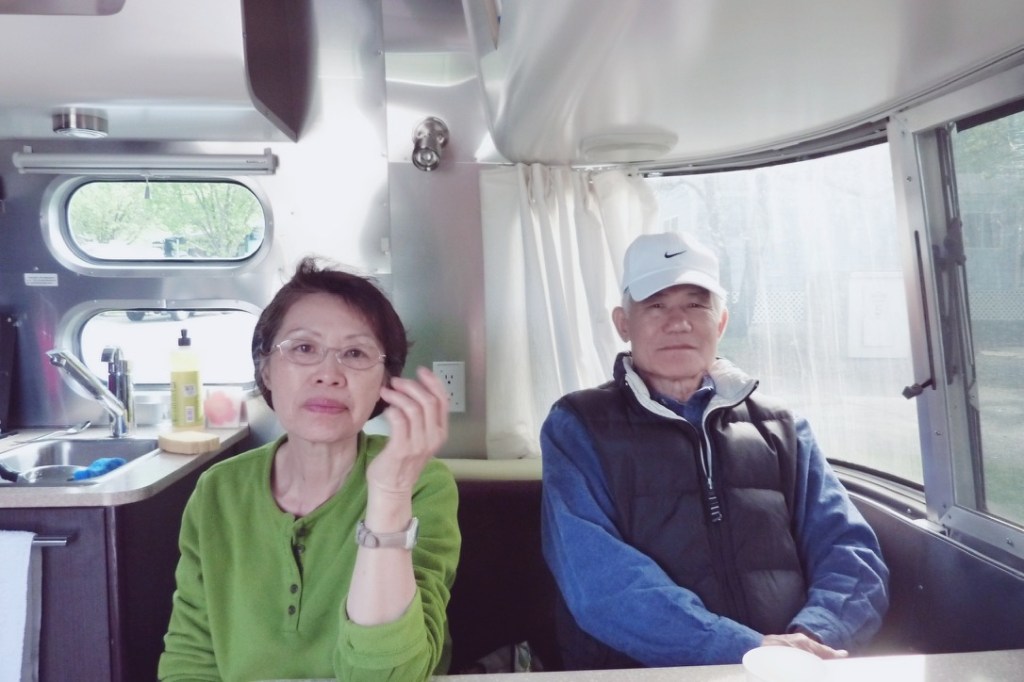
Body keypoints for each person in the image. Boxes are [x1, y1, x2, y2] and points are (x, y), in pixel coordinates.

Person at [540, 231, 889, 669]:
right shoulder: (577, 425)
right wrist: (741, 648)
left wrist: (811, 638)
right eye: (656, 305)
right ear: (623, 323)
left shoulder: (781, 426)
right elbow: (598, 581)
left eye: (695, 303)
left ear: (720, 322)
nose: (678, 322)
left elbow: (851, 552)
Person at [159, 257, 460, 682]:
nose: (328, 374)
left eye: (355, 353)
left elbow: (389, 675)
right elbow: (190, 661)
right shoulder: (218, 491)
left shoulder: (422, 484)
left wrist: (389, 493)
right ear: (265, 368)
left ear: (385, 383)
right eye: (303, 348)